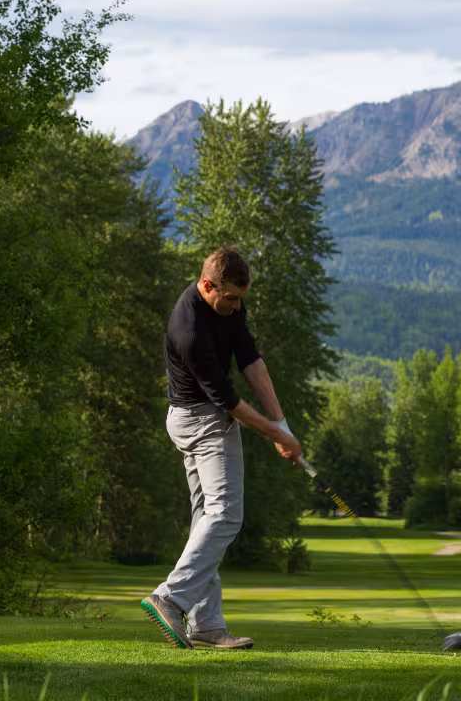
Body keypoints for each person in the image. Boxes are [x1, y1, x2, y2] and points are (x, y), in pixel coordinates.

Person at [141, 247, 302, 650]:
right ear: (208, 285)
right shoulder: (189, 328)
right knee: (228, 515)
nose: (236, 306)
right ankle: (171, 597)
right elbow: (230, 402)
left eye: (241, 299)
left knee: (206, 521)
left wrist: (281, 424)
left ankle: (206, 624)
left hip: (202, 418)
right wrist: (277, 436)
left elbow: (252, 363)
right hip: (202, 420)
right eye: (230, 297)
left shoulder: (230, 307)